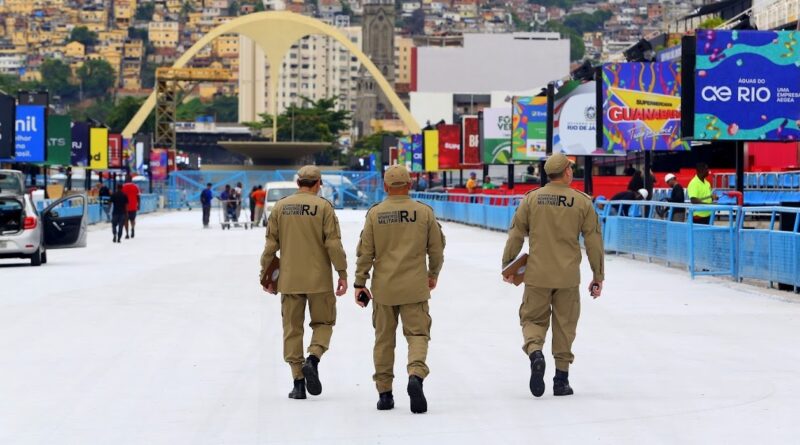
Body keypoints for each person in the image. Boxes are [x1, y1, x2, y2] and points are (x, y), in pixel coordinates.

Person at [501, 153, 604, 398]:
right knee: (565, 325)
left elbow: (516, 234)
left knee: (532, 319)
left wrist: (508, 265)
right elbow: (593, 241)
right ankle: (561, 380)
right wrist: (597, 275)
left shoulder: (531, 199)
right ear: (567, 172)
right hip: (568, 276)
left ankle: (535, 352)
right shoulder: (582, 202)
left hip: (537, 275)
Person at [355, 164, 445, 414]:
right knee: (417, 335)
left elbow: (365, 252)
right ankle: (415, 374)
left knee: (384, 340)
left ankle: (384, 394)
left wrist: (360, 283)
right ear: (410, 184)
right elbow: (436, 249)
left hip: (384, 289)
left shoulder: (375, 214)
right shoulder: (424, 212)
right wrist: (433, 274)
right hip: (415, 287)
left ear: (385, 186)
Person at [260, 166, 348, 400]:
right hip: (319, 280)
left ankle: (298, 383)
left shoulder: (280, 207)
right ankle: (314, 357)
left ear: (298, 182)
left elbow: (270, 247)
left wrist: (265, 276)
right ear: (318, 183)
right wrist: (342, 273)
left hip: (289, 280)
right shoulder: (324, 207)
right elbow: (333, 244)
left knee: (292, 329)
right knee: (324, 322)